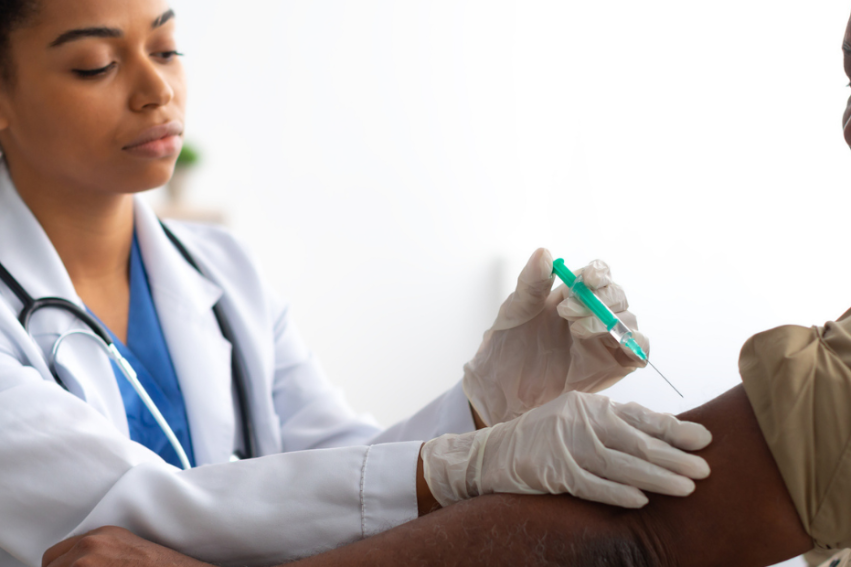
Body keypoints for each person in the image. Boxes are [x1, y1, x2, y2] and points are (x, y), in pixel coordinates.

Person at [40, 4, 851, 567]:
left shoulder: (220, 276)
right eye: (96, 64)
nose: (156, 89)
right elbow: (104, 524)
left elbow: (345, 479)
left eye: (169, 47)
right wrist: (472, 441)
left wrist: (482, 408)